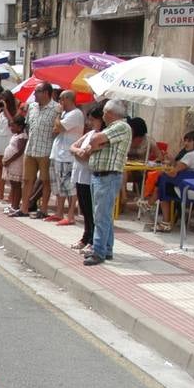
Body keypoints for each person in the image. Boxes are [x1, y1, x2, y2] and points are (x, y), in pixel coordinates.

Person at [75, 100, 132, 266]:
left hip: (108, 176)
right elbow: (95, 142)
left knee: (101, 216)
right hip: (100, 175)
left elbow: (95, 139)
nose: (103, 117)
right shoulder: (113, 128)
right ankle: (106, 248)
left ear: (110, 113)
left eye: (105, 113)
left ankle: (98, 251)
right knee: (103, 215)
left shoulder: (121, 126)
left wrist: (94, 146)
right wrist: (95, 145)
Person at [151, 130, 194, 232]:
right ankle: (150, 204)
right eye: (185, 140)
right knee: (163, 182)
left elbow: (173, 172)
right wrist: (172, 161)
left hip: (189, 191)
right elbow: (180, 166)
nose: (186, 143)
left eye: (189, 141)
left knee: (163, 184)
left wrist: (163, 170)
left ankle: (165, 222)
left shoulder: (190, 155)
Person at [68, 106, 105, 254]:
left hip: (90, 176)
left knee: (91, 210)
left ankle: (92, 239)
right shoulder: (90, 133)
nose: (90, 122)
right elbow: (73, 147)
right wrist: (78, 151)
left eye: (93, 119)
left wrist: (79, 153)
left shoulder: (101, 136)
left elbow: (87, 154)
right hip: (80, 174)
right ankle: (85, 236)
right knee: (84, 208)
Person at [21, 83, 59, 219]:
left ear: (47, 93)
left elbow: (58, 129)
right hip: (31, 148)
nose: (34, 94)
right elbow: (28, 126)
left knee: (45, 181)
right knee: (26, 179)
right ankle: (24, 208)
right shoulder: (32, 107)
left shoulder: (56, 109)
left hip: (46, 149)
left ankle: (43, 209)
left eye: (37, 91)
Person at [49, 89, 82, 225]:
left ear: (68, 99)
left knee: (69, 188)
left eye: (61, 99)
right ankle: (59, 212)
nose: (59, 102)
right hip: (57, 153)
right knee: (58, 187)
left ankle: (70, 216)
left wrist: (57, 116)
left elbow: (60, 127)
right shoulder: (64, 113)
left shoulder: (76, 114)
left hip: (67, 156)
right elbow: (55, 129)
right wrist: (59, 119)